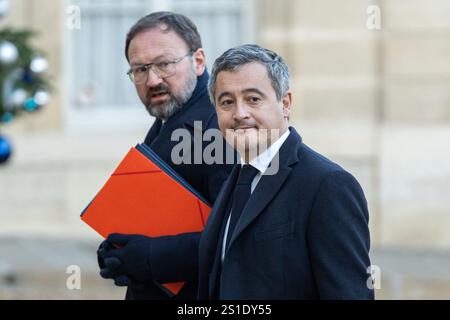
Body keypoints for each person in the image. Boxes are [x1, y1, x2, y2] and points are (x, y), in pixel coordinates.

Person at [198, 44, 375, 299]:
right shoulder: (234, 181)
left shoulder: (328, 185)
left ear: (285, 103)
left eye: (253, 99)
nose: (240, 113)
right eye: (226, 102)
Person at [96, 12, 234, 300]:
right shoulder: (171, 116)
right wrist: (118, 249)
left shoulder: (220, 127)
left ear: (198, 61)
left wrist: (147, 258)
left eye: (165, 64)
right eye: (140, 70)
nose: (152, 79)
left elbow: (237, 239)